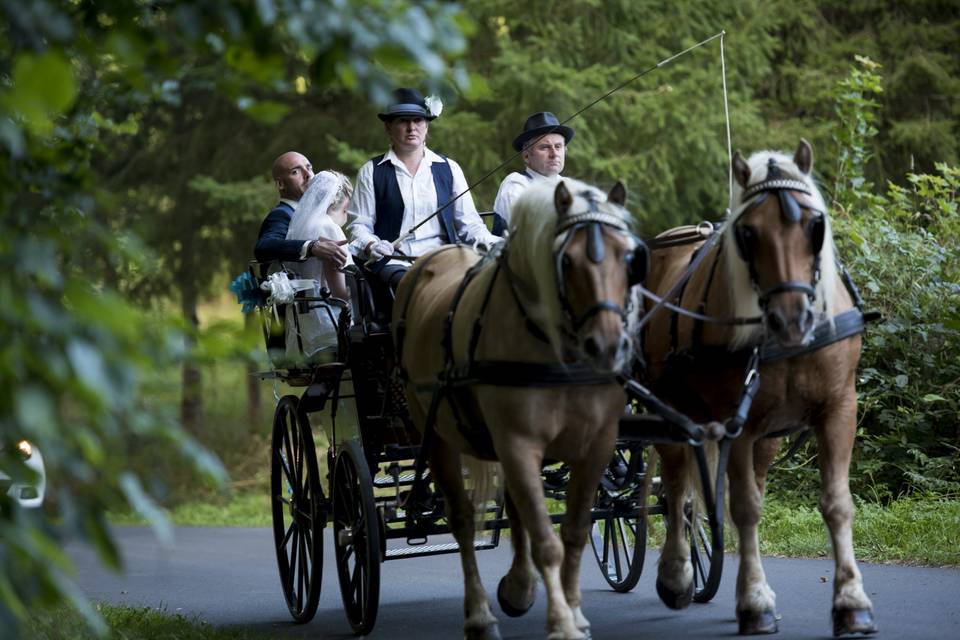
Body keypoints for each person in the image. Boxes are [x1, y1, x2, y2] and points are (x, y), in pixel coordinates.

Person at [347, 88, 501, 293]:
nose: (412, 128)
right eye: (403, 121)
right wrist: (371, 245)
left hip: (446, 258)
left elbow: (469, 225)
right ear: (388, 127)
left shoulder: (450, 168)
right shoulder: (372, 172)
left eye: (418, 121)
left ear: (426, 126)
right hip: (395, 262)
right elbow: (359, 226)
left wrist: (496, 242)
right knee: (418, 289)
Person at [283, 170, 354, 361]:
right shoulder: (329, 228)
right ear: (344, 204)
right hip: (328, 322)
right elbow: (339, 293)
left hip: (303, 322)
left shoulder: (299, 227)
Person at [254, 150, 350, 269]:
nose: (308, 174)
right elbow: (264, 247)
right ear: (280, 184)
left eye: (309, 168)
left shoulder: (316, 215)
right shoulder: (281, 214)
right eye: (295, 172)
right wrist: (311, 247)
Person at [491, 112, 574, 233]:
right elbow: (530, 233)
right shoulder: (516, 184)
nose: (554, 154)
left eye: (558, 146)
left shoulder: (568, 185)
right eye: (545, 147)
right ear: (526, 155)